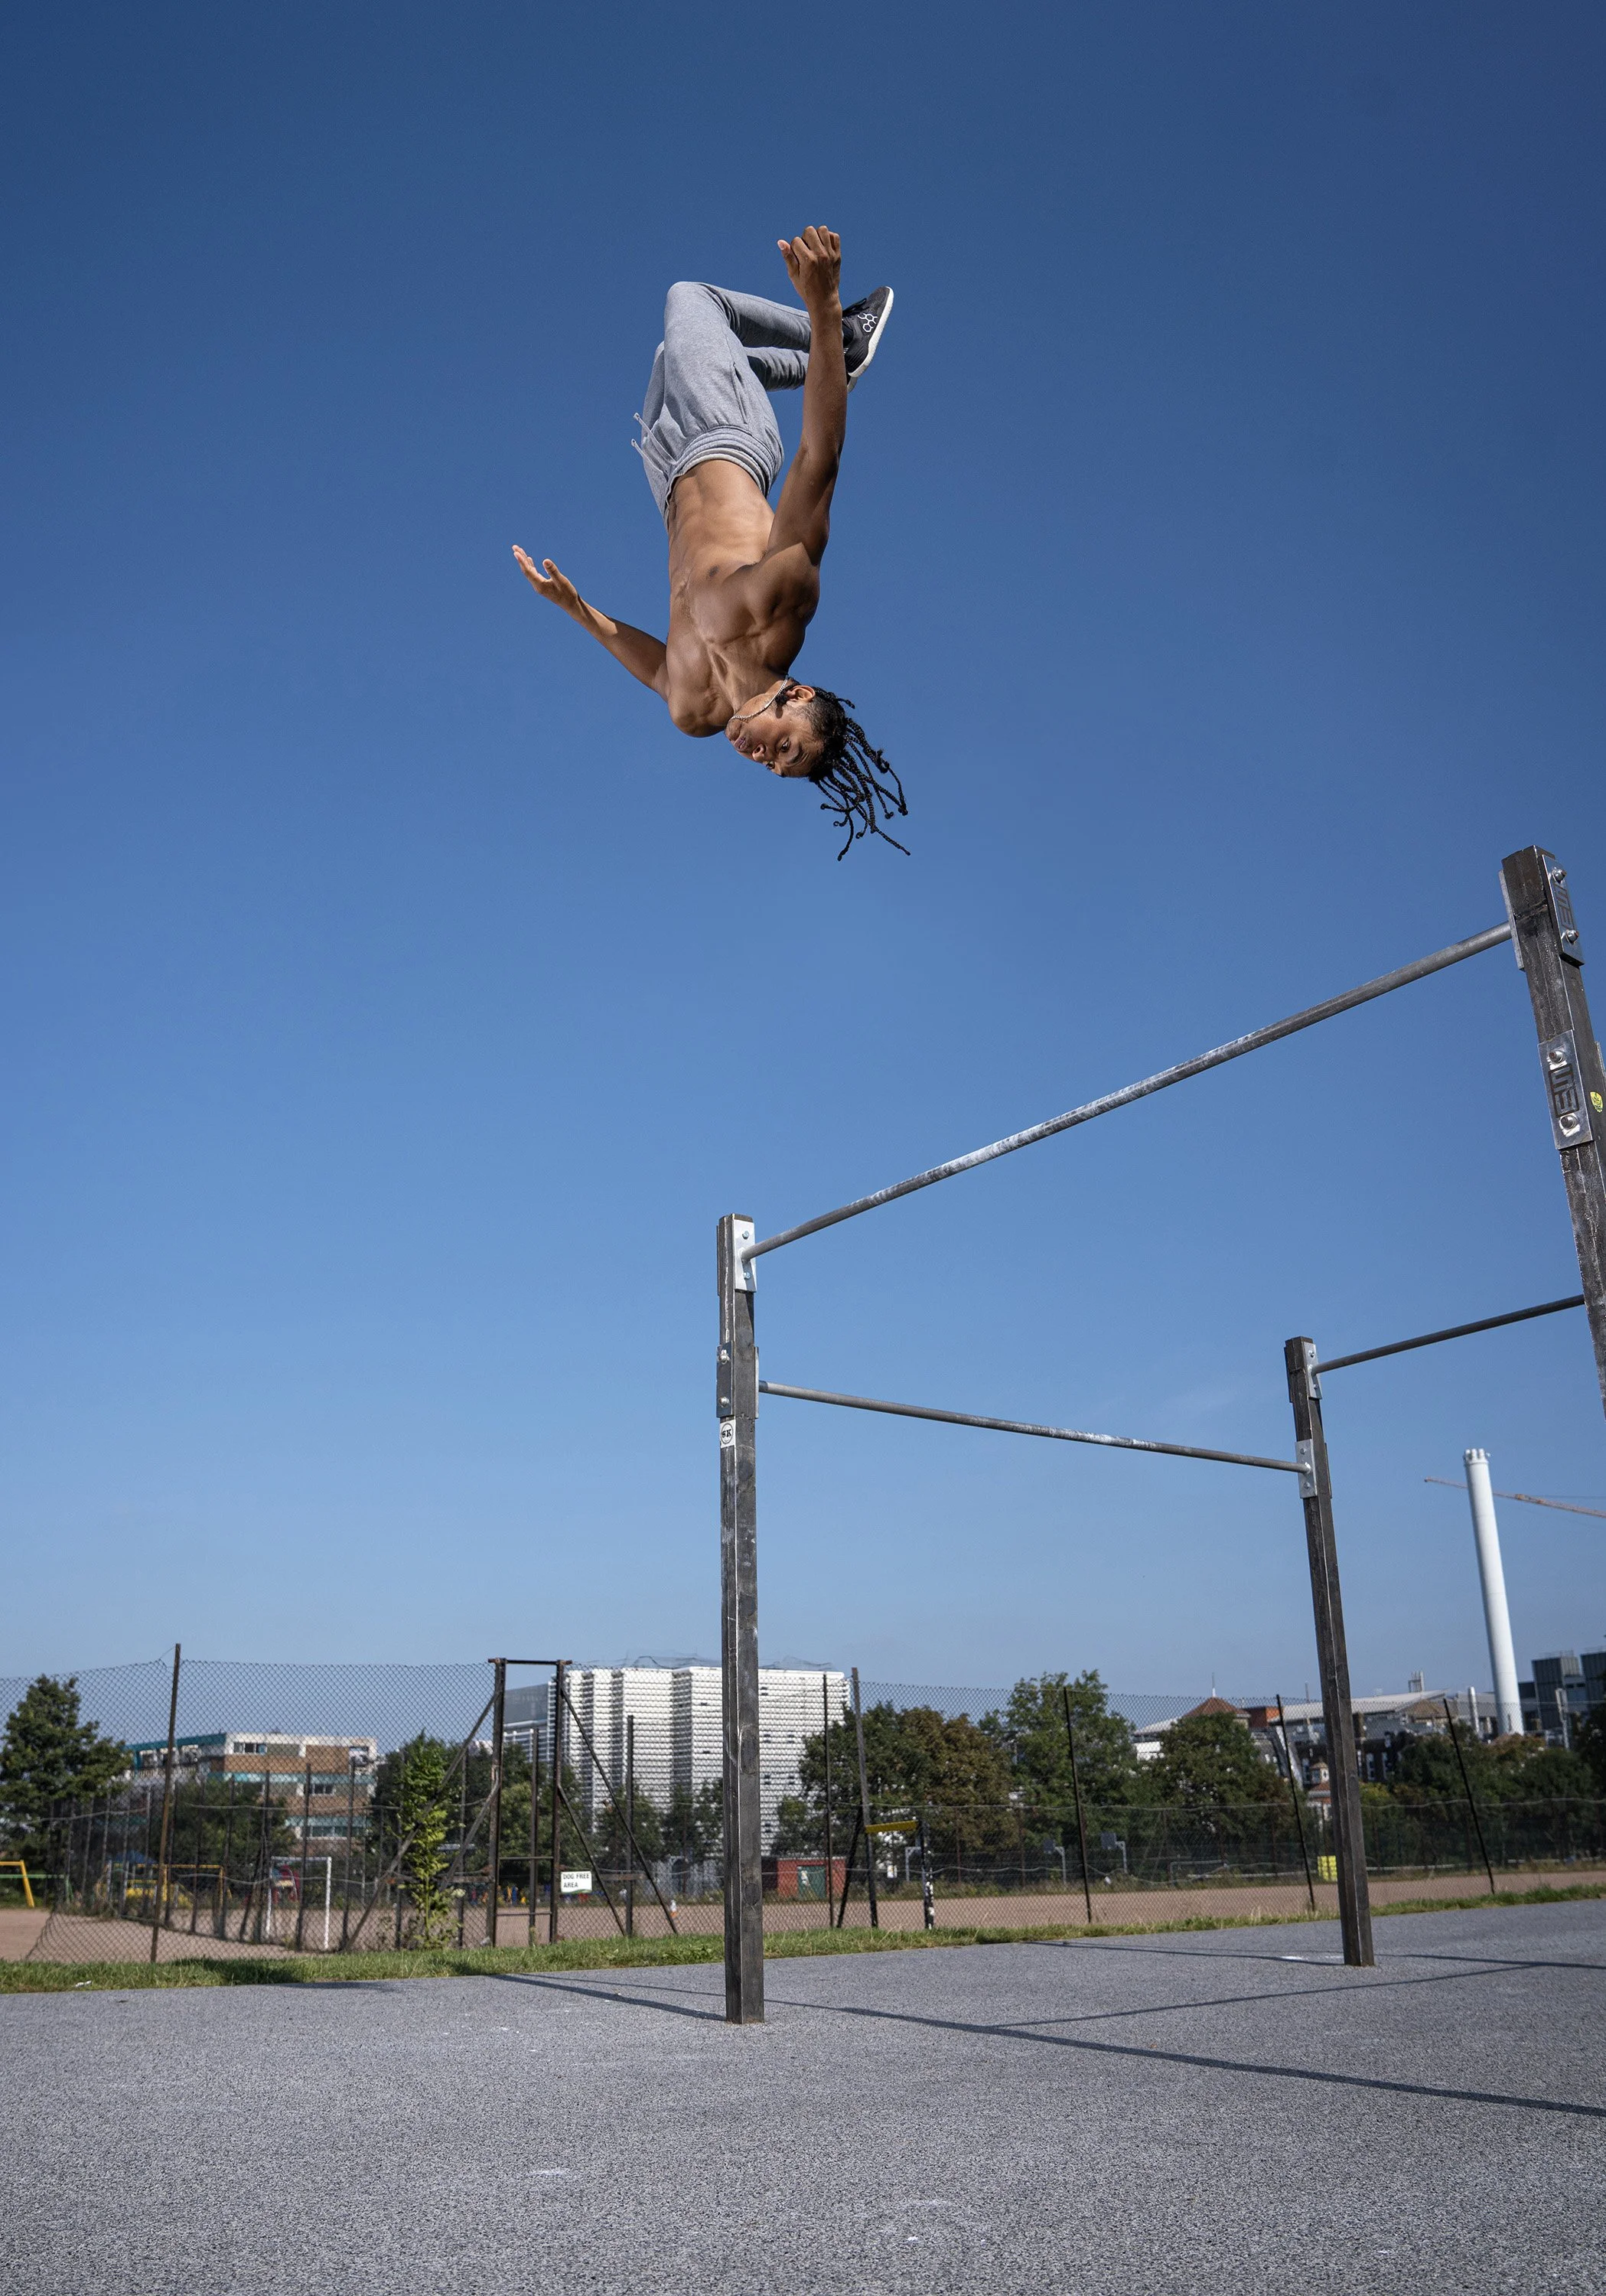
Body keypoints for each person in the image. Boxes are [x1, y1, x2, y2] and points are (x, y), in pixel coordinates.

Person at [514, 227, 907, 856]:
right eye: (785, 744)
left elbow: (654, 667)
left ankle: (823, 364)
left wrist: (575, 607)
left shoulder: (693, 712)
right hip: (728, 440)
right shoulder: (778, 609)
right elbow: (817, 460)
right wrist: (823, 309)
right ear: (796, 694)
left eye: (773, 767)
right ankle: (839, 342)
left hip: (665, 468)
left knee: (683, 352)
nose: (763, 757)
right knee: (694, 302)